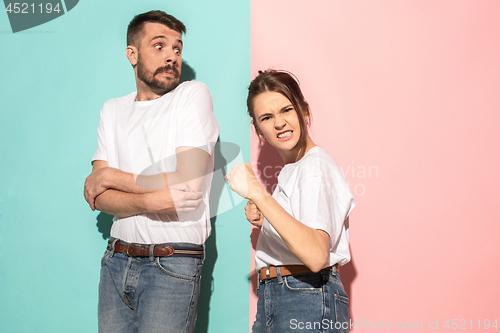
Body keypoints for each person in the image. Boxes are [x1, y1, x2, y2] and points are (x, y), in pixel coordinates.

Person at [83, 10, 219, 333]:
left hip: (171, 264)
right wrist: (157, 200)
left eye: (177, 48)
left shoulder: (191, 96)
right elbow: (98, 198)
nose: (172, 56)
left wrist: (111, 177)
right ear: (132, 54)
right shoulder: (112, 110)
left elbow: (186, 181)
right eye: (159, 46)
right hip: (116, 262)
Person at [225, 70, 355, 332]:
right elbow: (304, 232)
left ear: (304, 111)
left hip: (304, 294)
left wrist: (257, 193)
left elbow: (316, 255)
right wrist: (267, 219)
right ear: (258, 128)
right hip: (284, 296)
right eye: (266, 117)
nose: (279, 123)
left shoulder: (314, 166)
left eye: (286, 110)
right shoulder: (296, 169)